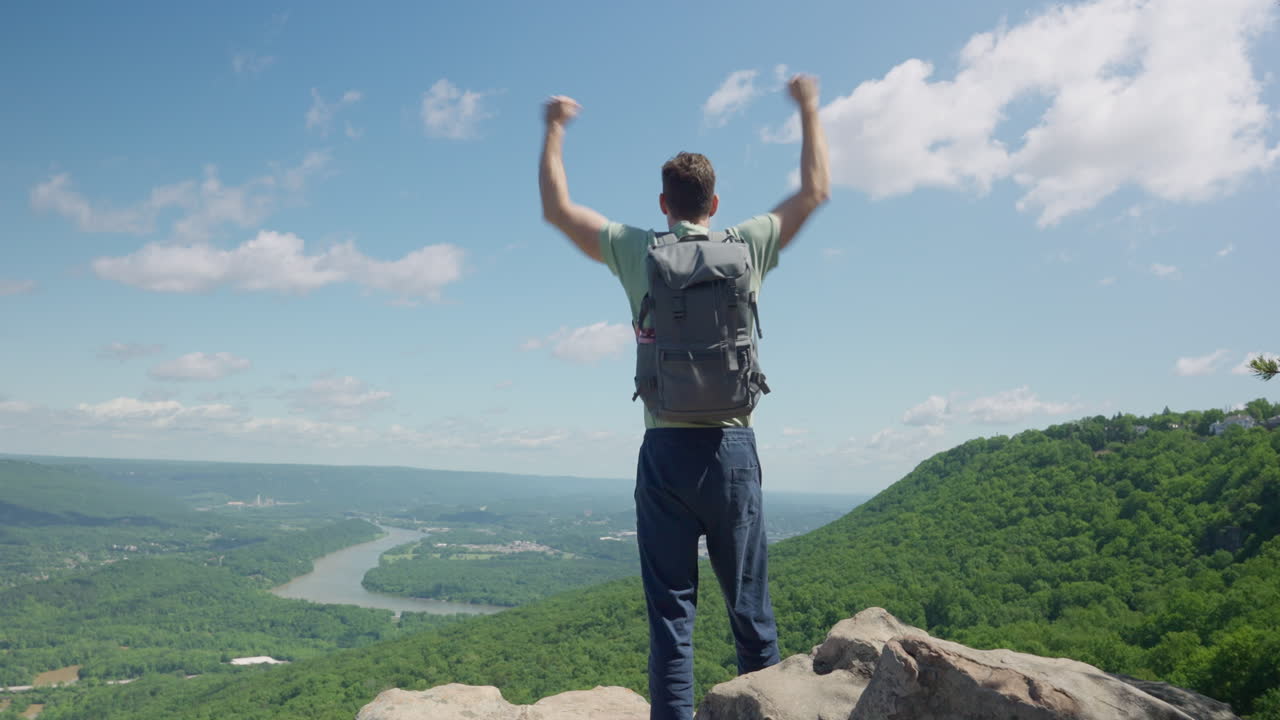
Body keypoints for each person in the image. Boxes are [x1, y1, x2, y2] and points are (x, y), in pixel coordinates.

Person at [538, 75, 830, 720]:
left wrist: (555, 127)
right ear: (715, 202)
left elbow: (558, 210)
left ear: (664, 204)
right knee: (751, 613)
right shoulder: (748, 245)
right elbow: (815, 191)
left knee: (673, 620)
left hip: (664, 448)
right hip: (732, 450)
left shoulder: (637, 249)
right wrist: (808, 107)